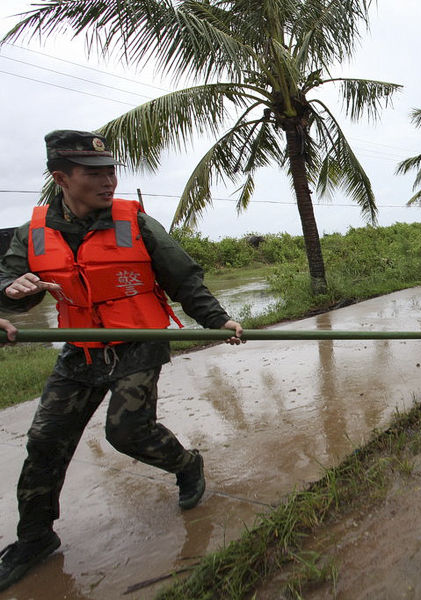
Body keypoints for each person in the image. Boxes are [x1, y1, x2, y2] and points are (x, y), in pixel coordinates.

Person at [0, 130, 245, 592]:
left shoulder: (135, 222)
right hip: (82, 349)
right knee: (45, 440)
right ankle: (34, 538)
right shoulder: (31, 233)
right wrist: (10, 298)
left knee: (127, 430)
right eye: (93, 172)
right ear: (61, 178)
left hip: (138, 341)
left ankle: (187, 464)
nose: (107, 179)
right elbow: (10, 287)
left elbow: (183, 277)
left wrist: (219, 319)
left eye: (110, 169)